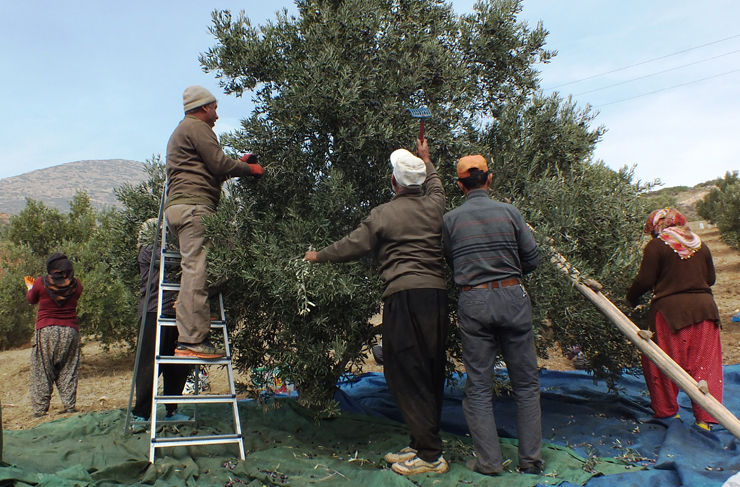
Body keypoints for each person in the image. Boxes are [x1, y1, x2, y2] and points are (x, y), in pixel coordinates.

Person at [304, 139, 449, 476]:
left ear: (395, 183)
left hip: (403, 296)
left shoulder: (383, 214)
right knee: (429, 367)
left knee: (403, 370)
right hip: (436, 296)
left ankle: (429, 455)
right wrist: (428, 160)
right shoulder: (435, 205)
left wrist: (317, 255)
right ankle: (421, 441)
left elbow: (352, 245)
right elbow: (437, 184)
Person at [441, 155, 543, 476]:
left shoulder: (450, 220)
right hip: (513, 298)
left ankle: (489, 463)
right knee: (526, 386)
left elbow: (450, 260)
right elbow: (532, 259)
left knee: (479, 389)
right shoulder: (510, 212)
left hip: (474, 302)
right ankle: (531, 462)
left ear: (460, 185)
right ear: (490, 179)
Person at [165, 85, 263, 358]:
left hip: (185, 207)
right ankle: (192, 341)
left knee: (229, 255)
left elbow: (211, 169)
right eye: (215, 108)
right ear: (204, 107)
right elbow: (219, 164)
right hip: (195, 208)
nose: (217, 114)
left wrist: (238, 164)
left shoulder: (184, 131)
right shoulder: (197, 128)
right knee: (197, 268)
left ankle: (187, 305)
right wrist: (251, 169)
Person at [626, 208, 722, 431]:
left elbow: (645, 280)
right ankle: (704, 421)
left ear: (657, 226)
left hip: (670, 316)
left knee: (662, 364)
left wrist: (630, 298)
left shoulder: (657, 246)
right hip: (706, 312)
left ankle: (669, 415)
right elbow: (711, 279)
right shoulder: (700, 244)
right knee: (705, 367)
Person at [130, 219, 191, 432]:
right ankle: (140, 414)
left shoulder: (168, 250)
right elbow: (173, 258)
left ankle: (172, 410)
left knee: (177, 365)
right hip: (153, 312)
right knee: (148, 365)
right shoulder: (148, 251)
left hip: (176, 314)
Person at [25, 253, 83, 418]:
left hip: (46, 331)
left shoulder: (40, 282)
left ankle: (40, 410)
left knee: (42, 369)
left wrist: (30, 287)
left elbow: (31, 299)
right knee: (69, 369)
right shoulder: (77, 285)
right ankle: (69, 406)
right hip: (70, 332)